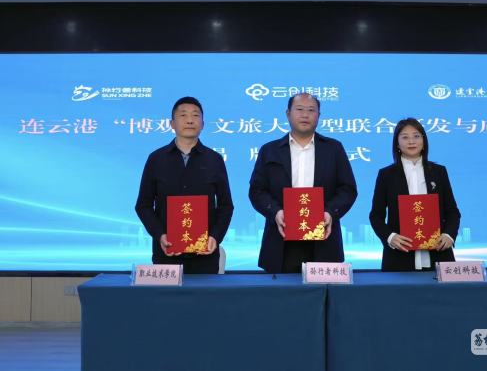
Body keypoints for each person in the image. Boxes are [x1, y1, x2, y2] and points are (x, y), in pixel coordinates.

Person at [249, 93, 358, 273]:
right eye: (299, 109)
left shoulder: (333, 149)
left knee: (323, 290)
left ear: (319, 115)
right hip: (280, 239)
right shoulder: (270, 150)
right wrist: (276, 212)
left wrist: (330, 213)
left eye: (311, 110)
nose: (305, 115)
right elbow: (257, 191)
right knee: (281, 290)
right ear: (288, 113)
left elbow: (348, 189)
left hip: (324, 240)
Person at [135, 96, 234, 274]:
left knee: (205, 293)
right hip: (167, 254)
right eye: (183, 115)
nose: (189, 120)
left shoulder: (215, 160)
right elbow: (143, 205)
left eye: (195, 115)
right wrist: (160, 235)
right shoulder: (156, 159)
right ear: (172, 124)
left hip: (205, 256)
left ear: (203, 124)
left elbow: (226, 205)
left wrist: (215, 236)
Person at [369, 117, 460, 271]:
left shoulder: (439, 172)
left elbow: (452, 211)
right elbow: (376, 216)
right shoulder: (386, 175)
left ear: (424, 141)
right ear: (397, 143)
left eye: (416, 136)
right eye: (405, 137)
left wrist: (449, 235)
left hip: (439, 253)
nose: (411, 141)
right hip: (399, 257)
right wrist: (390, 237)